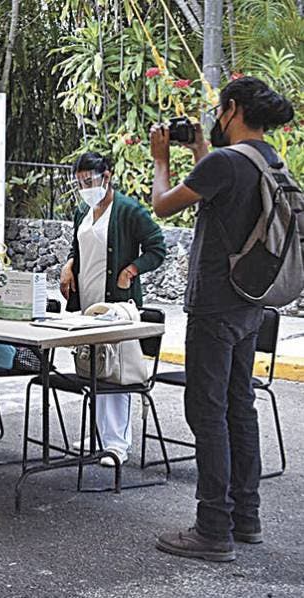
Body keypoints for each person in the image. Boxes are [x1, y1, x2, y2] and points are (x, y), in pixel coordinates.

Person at [150, 76, 295, 562]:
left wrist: (161, 159)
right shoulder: (269, 161)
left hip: (214, 303)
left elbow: (163, 205)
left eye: (218, 111)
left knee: (207, 412)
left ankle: (212, 528)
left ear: (232, 110)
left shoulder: (224, 163)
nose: (214, 118)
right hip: (250, 303)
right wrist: (199, 151)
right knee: (239, 407)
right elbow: (222, 193)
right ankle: (245, 518)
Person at [59, 152, 167, 467]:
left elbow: (157, 248)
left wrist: (131, 270)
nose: (85, 188)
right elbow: (78, 245)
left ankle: (117, 444)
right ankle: (98, 436)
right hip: (88, 302)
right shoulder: (83, 210)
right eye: (80, 183)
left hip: (117, 304)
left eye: (89, 181)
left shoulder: (128, 210)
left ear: (106, 176)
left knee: (116, 371)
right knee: (93, 368)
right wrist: (69, 265)